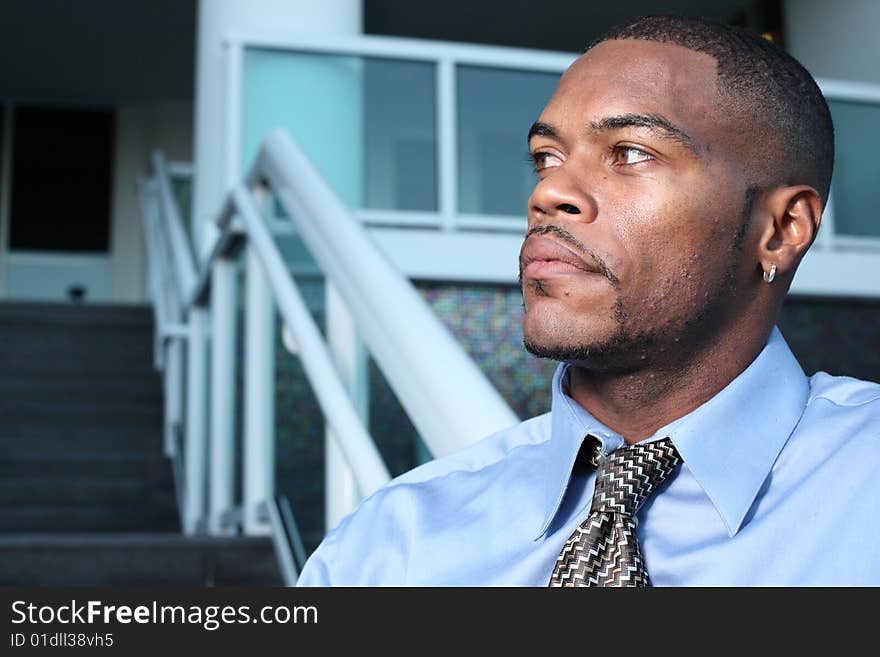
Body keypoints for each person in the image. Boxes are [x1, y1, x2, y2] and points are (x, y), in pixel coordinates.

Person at [297, 15, 880, 586]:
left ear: (781, 228)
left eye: (629, 152)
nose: (548, 193)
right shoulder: (387, 547)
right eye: (546, 158)